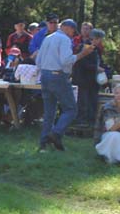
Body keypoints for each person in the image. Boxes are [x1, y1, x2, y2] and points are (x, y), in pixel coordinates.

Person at [36, 18, 96, 151]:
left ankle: (43, 144)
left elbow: (38, 60)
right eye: (73, 31)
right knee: (71, 109)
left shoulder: (48, 38)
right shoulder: (64, 39)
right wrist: (83, 54)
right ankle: (56, 134)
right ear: (67, 28)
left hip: (45, 75)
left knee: (49, 112)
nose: (73, 34)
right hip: (58, 75)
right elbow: (66, 61)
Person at [72, 22, 101, 128]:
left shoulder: (95, 48)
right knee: (82, 101)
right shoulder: (85, 47)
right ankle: (81, 121)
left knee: (92, 100)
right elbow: (82, 62)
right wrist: (96, 68)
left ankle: (91, 120)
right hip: (82, 78)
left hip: (91, 79)